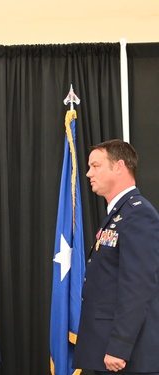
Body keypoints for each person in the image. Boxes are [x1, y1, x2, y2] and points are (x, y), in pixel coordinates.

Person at [73, 139, 159, 375]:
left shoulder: (138, 214)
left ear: (119, 166)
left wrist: (120, 346)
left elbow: (138, 287)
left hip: (128, 358)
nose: (89, 173)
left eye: (96, 166)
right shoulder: (118, 215)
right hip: (106, 349)